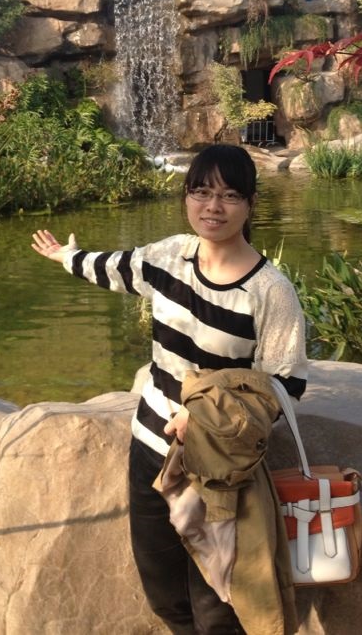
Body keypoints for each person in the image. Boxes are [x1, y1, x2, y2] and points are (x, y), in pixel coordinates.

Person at [31, 144, 307, 635]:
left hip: (217, 469)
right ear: (186, 197)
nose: (213, 207)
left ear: (250, 203)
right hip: (149, 449)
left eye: (229, 195)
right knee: (164, 596)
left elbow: (285, 385)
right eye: (200, 192)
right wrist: (66, 256)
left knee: (217, 609)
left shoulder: (271, 291)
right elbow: (115, 268)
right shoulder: (169, 256)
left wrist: (205, 419)